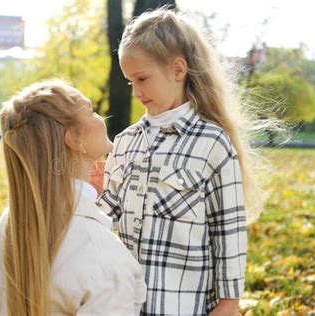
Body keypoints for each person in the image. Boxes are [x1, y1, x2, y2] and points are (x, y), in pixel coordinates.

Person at [97, 8, 265, 316]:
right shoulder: (124, 143)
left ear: (177, 70)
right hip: (124, 306)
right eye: (129, 81)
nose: (135, 92)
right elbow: (104, 217)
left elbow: (227, 232)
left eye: (142, 79)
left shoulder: (212, 144)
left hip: (184, 306)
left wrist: (229, 304)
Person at [0, 79, 146, 315]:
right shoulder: (105, 258)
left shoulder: (12, 222)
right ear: (74, 139)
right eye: (91, 111)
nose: (101, 118)